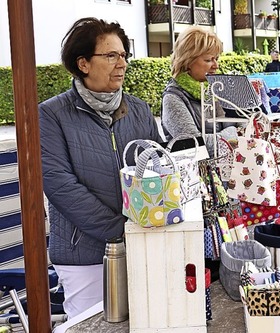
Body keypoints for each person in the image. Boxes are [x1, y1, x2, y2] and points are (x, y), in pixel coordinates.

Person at [39, 17, 162, 319]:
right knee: (91, 324)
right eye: (110, 55)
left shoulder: (139, 109)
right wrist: (121, 230)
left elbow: (159, 167)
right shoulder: (51, 114)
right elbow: (59, 186)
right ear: (83, 63)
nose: (121, 63)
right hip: (85, 255)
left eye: (123, 55)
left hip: (142, 245)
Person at [161, 25, 225, 155]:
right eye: (208, 60)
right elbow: (195, 145)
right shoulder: (173, 98)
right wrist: (233, 136)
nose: (216, 66)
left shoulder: (213, 90)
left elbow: (239, 124)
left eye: (216, 59)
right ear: (187, 61)